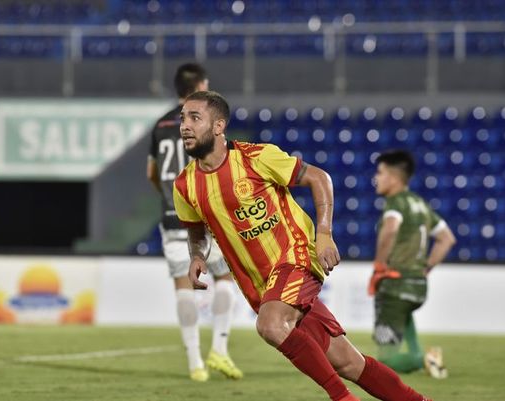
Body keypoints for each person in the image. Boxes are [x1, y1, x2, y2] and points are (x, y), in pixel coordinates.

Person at [173, 90, 434, 401]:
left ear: (218, 126)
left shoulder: (256, 158)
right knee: (349, 362)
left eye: (194, 118)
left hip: (295, 257)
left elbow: (319, 178)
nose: (185, 126)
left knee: (269, 325)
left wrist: (323, 233)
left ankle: (342, 398)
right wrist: (197, 256)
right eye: (182, 118)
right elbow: (195, 231)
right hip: (262, 286)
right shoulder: (184, 185)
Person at [146, 64, 242, 382]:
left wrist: (170, 197)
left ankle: (194, 364)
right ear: (200, 85)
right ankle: (220, 349)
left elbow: (152, 173)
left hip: (172, 218)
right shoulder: (201, 120)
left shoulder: (160, 124)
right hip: (203, 215)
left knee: (182, 288)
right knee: (225, 278)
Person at [369, 150, 456, 379]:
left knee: (385, 360)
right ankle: (425, 355)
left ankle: (422, 359)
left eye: (380, 172)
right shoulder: (420, 203)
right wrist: (425, 268)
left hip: (396, 283)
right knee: (404, 314)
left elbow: (390, 229)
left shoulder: (395, 202)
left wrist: (379, 265)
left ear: (394, 178)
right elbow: (447, 238)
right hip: (418, 285)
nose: (376, 178)